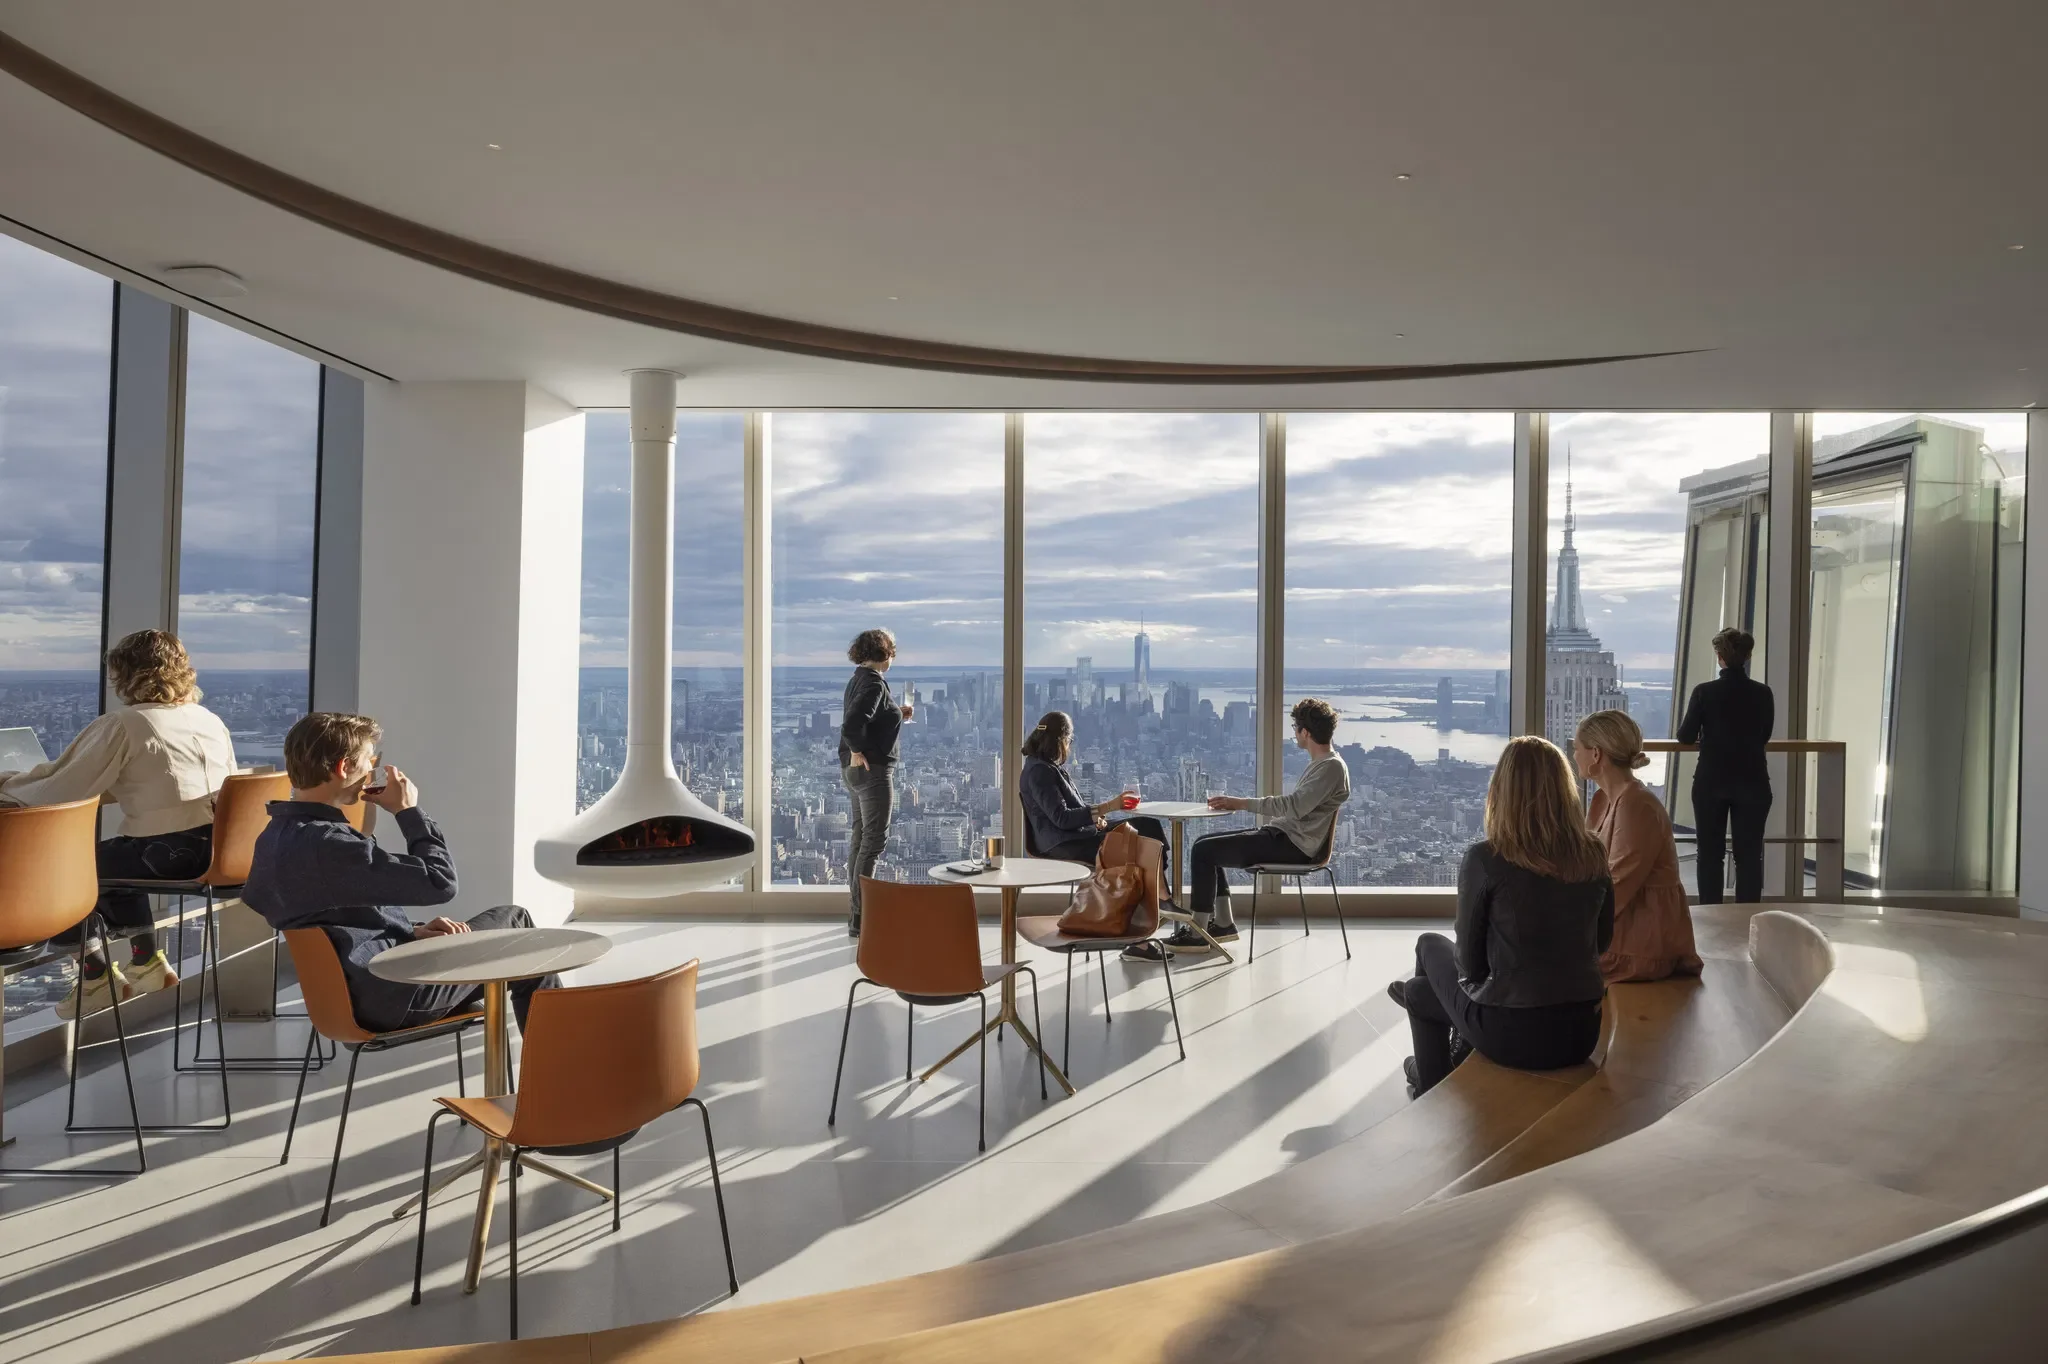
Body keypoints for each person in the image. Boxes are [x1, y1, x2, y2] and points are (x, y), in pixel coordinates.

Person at [241, 712, 556, 1034]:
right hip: (399, 993)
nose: (371, 771)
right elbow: (440, 883)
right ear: (344, 767)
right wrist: (408, 811)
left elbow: (311, 912)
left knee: (510, 925)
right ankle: (559, 1068)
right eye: (369, 760)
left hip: (351, 997)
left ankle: (554, 1065)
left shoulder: (275, 835)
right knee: (520, 929)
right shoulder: (330, 843)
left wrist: (409, 932)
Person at [0, 629, 236, 1019]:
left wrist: (8, 783)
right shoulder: (207, 718)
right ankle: (146, 961)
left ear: (125, 676)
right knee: (114, 856)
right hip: (216, 848)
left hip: (167, 853)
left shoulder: (125, 723)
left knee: (62, 874)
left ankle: (94, 976)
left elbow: (56, 789)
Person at [1388, 736, 1613, 1097]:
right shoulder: (1593, 854)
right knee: (1420, 990)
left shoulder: (1487, 858)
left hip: (1512, 1034)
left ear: (1501, 791)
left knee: (1427, 951)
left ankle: (1435, 1075)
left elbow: (1470, 967)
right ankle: (1441, 1043)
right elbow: (1601, 943)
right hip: (1582, 1032)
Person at [1152, 697, 1351, 958]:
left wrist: (1242, 803)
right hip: (1284, 837)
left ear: (1305, 732)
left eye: (1295, 729)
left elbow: (1294, 806)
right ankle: (1222, 924)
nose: (1294, 735)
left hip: (1294, 846)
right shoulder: (1324, 764)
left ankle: (1198, 933)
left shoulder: (1331, 767)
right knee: (1205, 845)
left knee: (1204, 852)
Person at [1574, 710, 1703, 983]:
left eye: (1577, 749)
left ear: (1596, 754)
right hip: (1623, 935)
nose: (1574, 756)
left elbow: (1617, 887)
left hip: (1639, 946)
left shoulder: (1637, 806)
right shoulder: (1603, 800)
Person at [1676, 627, 1774, 903]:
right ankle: (1746, 917)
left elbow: (1685, 736)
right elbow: (1764, 735)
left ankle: (1711, 915)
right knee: (1749, 855)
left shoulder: (1704, 692)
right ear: (1748, 655)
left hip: (1711, 780)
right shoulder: (1762, 693)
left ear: (1719, 656)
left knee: (1709, 853)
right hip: (1753, 780)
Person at [1017, 710, 1167, 861]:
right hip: (1064, 844)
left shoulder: (1044, 766)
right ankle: (1153, 882)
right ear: (1061, 740)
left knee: (1148, 825)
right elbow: (1062, 818)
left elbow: (1069, 809)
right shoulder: (1039, 771)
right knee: (1146, 840)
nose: (1069, 746)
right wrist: (1110, 806)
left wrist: (1095, 818)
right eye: (1069, 739)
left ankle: (1154, 882)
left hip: (1075, 835)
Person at [840, 627, 913, 938]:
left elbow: (867, 719)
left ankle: (857, 915)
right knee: (874, 842)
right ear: (886, 654)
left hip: (854, 772)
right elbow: (853, 724)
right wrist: (858, 749)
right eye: (892, 651)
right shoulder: (875, 685)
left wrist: (896, 713)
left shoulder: (858, 678)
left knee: (860, 840)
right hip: (873, 772)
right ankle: (862, 918)